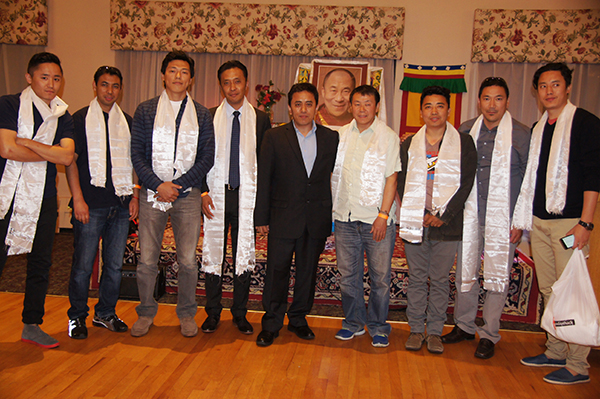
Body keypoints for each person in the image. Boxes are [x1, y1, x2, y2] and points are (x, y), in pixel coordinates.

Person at [515, 63, 600, 385]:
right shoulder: (540, 128)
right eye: (544, 86)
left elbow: (594, 176)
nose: (549, 91)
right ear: (537, 91)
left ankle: (578, 364)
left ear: (567, 88)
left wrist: (585, 224)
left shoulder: (585, 124)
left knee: (571, 291)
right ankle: (555, 349)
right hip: (539, 222)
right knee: (549, 289)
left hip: (569, 225)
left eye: (556, 85)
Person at [441, 77, 530, 359]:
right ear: (479, 101)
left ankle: (489, 333)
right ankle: (464, 326)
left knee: (497, 276)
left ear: (507, 101)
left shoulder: (522, 135)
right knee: (466, 272)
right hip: (468, 216)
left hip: (503, 220)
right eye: (487, 99)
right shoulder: (465, 131)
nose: (492, 105)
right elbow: (451, 174)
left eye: (499, 98)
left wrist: (519, 221)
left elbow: (529, 182)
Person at [130, 50, 215, 338]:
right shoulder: (146, 110)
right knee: (147, 260)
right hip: (152, 193)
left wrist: (176, 186)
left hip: (188, 195)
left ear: (191, 79)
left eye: (184, 72)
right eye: (173, 71)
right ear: (163, 75)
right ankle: (146, 312)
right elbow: (137, 154)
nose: (178, 76)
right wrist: (157, 184)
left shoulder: (202, 113)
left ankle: (186, 313)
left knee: (188, 260)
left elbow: (207, 157)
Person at [0, 52, 75, 348]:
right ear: (29, 78)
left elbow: (66, 156)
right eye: (44, 77)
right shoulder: (9, 104)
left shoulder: (62, 114)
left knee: (41, 263)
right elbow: (7, 149)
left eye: (57, 78)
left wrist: (28, 142)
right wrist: (48, 151)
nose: (51, 84)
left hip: (44, 197)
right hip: (7, 194)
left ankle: (31, 325)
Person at [255, 83, 338, 347]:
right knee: (276, 272)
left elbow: (333, 180)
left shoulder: (330, 138)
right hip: (282, 217)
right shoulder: (274, 137)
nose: (303, 109)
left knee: (307, 272)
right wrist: (261, 218)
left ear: (317, 107)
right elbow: (264, 179)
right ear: (290, 108)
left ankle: (299, 319)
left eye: (309, 104)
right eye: (298, 104)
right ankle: (271, 323)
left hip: (315, 218)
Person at [399, 85, 477, 354]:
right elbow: (401, 182)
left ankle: (434, 331)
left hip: (448, 225)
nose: (434, 111)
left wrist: (444, 215)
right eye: (429, 106)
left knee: (441, 280)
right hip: (416, 221)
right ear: (421, 112)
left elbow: (466, 183)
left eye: (440, 106)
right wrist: (419, 213)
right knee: (418, 279)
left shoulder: (463, 143)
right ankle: (416, 329)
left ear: (448, 109)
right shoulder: (410, 143)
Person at [66, 66, 140, 339]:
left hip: (120, 206)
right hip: (90, 205)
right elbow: (70, 162)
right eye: (105, 85)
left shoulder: (127, 121)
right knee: (84, 265)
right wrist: (78, 199)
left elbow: (134, 163)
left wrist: (134, 196)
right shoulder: (79, 119)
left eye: (115, 86)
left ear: (120, 89)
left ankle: (105, 313)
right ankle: (76, 317)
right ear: (95, 86)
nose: (110, 91)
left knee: (115, 266)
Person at [200, 60, 271, 335]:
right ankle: (212, 313)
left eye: (237, 81)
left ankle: (240, 313)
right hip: (216, 198)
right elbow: (200, 159)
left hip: (246, 199)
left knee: (243, 254)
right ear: (221, 85)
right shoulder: (208, 116)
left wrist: (262, 210)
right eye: (227, 82)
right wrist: (203, 192)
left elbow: (265, 167)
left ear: (246, 83)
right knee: (214, 254)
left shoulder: (262, 120)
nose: (232, 87)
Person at [332, 85, 400, 348]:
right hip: (345, 219)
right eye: (357, 104)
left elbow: (392, 177)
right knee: (348, 275)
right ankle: (353, 322)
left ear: (377, 106)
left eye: (367, 104)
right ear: (351, 107)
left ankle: (379, 326)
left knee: (380, 277)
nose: (362, 109)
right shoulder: (340, 136)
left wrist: (383, 215)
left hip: (376, 220)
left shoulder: (388, 137)